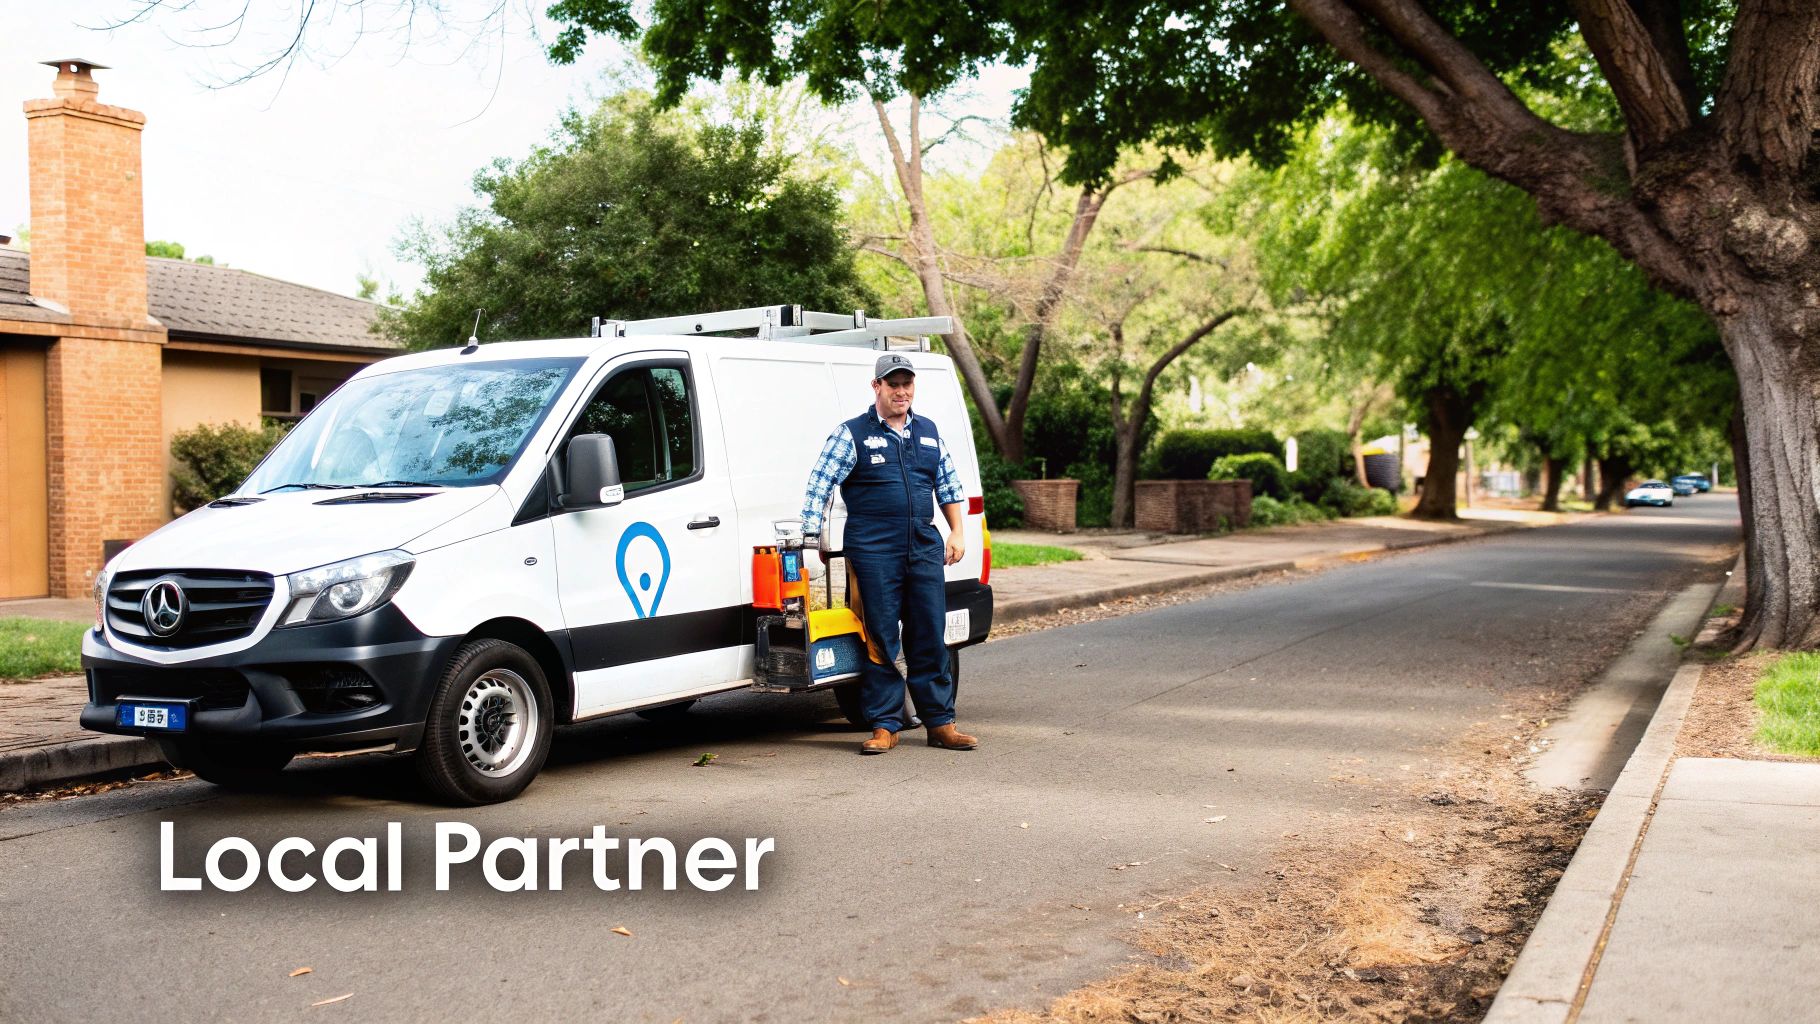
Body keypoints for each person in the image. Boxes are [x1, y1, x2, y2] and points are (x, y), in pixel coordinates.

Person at [800, 353, 977, 754]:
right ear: (876, 387)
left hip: (924, 547)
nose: (901, 391)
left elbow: (948, 486)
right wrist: (813, 543)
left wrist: (958, 532)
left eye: (906, 383)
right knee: (880, 637)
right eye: (892, 384)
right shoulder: (851, 434)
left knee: (930, 633)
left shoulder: (929, 432)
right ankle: (885, 725)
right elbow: (818, 488)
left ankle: (940, 723)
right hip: (875, 550)